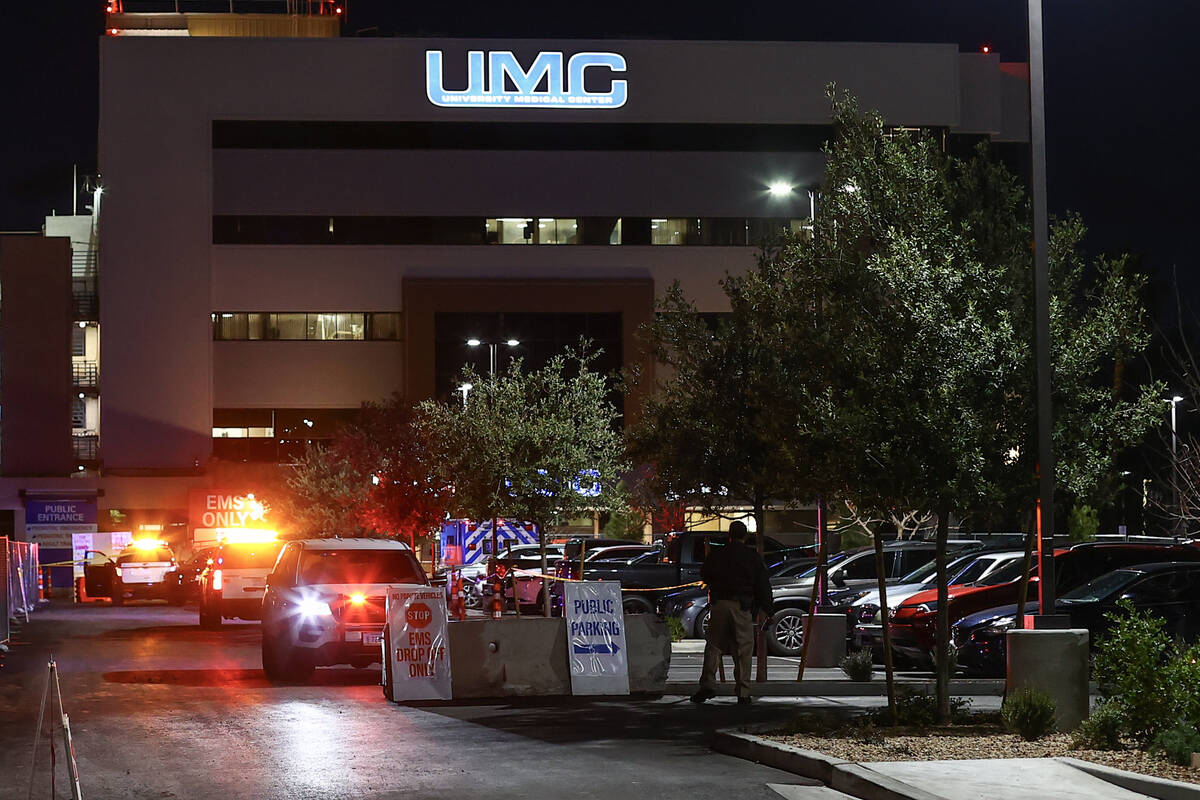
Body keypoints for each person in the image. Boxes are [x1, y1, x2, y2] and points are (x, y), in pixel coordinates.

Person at [691, 521, 772, 706]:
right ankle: (743, 691)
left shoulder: (718, 554)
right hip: (741, 605)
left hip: (719, 603)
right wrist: (768, 609)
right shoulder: (752, 557)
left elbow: (705, 573)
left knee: (714, 646)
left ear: (729, 535)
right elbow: (762, 584)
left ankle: (707, 685)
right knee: (743, 649)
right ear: (745, 536)